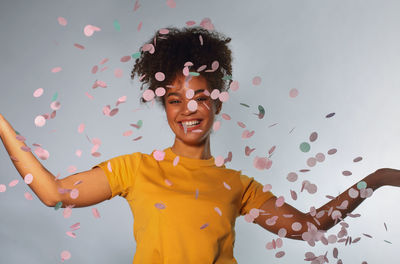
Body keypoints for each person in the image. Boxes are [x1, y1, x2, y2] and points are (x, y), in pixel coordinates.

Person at [0, 26, 399, 264]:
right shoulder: (134, 169)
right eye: (175, 99)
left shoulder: (237, 186)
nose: (188, 110)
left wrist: (380, 177)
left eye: (200, 97)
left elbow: (310, 227)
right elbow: (52, 193)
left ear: (216, 100)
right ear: (164, 105)